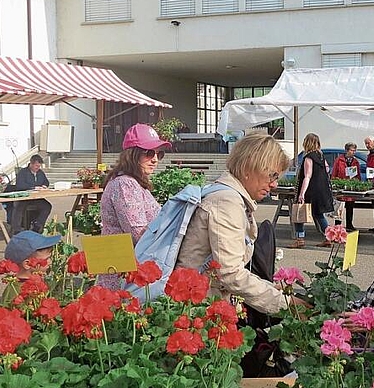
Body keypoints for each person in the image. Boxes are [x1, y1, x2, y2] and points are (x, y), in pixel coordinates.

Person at [176, 133, 309, 315]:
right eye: (272, 175)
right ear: (248, 168)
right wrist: (286, 304)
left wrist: (270, 287)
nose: (274, 184)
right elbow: (230, 274)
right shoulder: (226, 202)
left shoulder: (226, 195)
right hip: (196, 308)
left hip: (199, 300)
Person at [99, 123, 170, 288]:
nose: (155, 159)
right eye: (149, 153)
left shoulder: (131, 182)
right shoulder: (126, 184)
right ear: (132, 155)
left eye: (160, 154)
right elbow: (138, 233)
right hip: (123, 275)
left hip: (127, 269)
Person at [290, 133, 334, 249]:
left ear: (307, 143)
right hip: (321, 190)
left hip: (311, 190)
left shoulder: (308, 157)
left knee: (299, 213)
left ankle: (300, 239)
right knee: (319, 215)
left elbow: (307, 176)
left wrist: (301, 194)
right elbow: (327, 168)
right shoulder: (321, 156)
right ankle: (328, 238)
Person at [2, 230, 61, 303]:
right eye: (46, 259)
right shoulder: (16, 293)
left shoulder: (34, 282)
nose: (50, 262)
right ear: (27, 264)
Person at [11, 154, 51, 235]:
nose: (37, 168)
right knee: (19, 207)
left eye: (39, 166)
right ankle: (16, 229)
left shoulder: (40, 172)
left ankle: (37, 225)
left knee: (47, 206)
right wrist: (33, 187)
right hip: (24, 197)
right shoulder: (23, 172)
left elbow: (46, 182)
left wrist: (44, 186)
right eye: (36, 166)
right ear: (31, 164)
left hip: (36, 197)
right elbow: (20, 185)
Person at [331, 142, 361, 232]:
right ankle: (337, 225)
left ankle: (349, 224)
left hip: (350, 187)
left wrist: (357, 183)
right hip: (341, 187)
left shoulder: (355, 161)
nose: (354, 152)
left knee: (350, 206)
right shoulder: (339, 160)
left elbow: (358, 174)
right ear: (347, 150)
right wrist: (334, 183)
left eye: (355, 150)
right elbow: (334, 173)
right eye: (352, 150)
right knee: (339, 207)